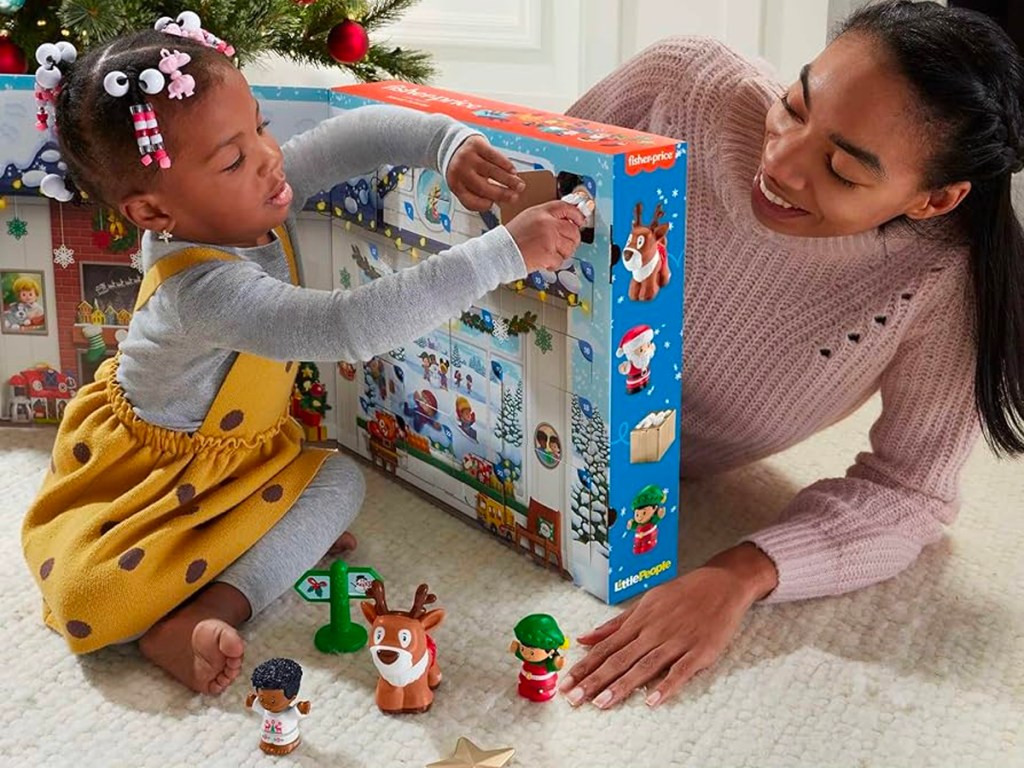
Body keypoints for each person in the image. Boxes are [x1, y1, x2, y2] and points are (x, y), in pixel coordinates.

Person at [21, 24, 584, 695]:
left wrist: (446, 144)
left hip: (242, 458)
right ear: (152, 211)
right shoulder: (203, 291)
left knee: (339, 485)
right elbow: (350, 326)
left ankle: (211, 605)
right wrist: (505, 254)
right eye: (233, 159)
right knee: (94, 602)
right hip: (153, 476)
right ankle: (180, 616)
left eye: (259, 128)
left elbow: (361, 135)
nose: (268, 157)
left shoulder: (249, 193)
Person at [560, 0, 1024, 709]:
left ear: (934, 199)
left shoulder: (944, 280)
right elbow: (531, 191)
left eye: (840, 169)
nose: (779, 162)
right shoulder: (681, 83)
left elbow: (911, 492)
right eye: (795, 106)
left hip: (642, 476)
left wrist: (739, 574)